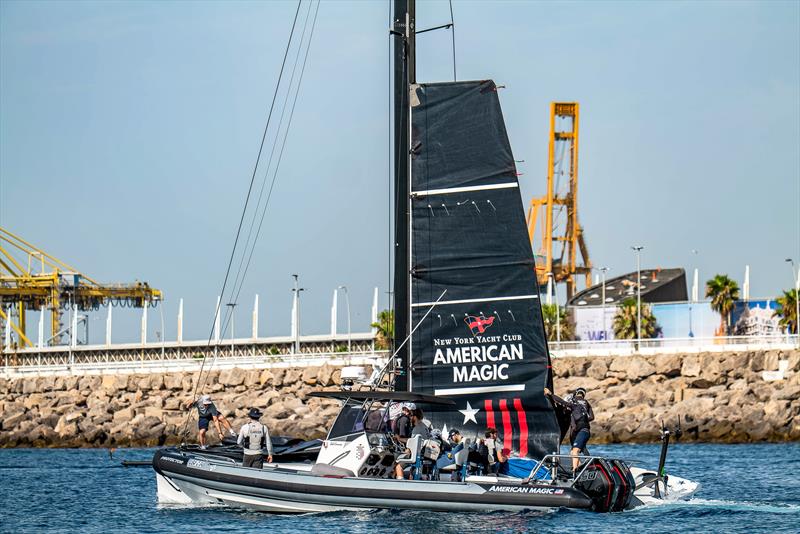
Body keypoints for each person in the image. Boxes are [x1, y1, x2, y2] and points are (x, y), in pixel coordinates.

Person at [544, 386, 594, 474]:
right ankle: (581, 468)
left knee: (575, 451)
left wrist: (550, 394)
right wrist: (584, 419)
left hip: (581, 431)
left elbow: (562, 402)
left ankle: (576, 471)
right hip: (583, 430)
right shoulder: (586, 404)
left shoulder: (574, 404)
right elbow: (592, 417)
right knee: (574, 451)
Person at [394, 407, 430, 479]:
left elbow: (412, 442)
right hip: (423, 453)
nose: (410, 418)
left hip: (416, 454)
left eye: (411, 416)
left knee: (398, 466)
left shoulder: (417, 429)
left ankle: (400, 484)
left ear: (415, 417)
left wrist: (399, 438)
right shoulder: (424, 427)